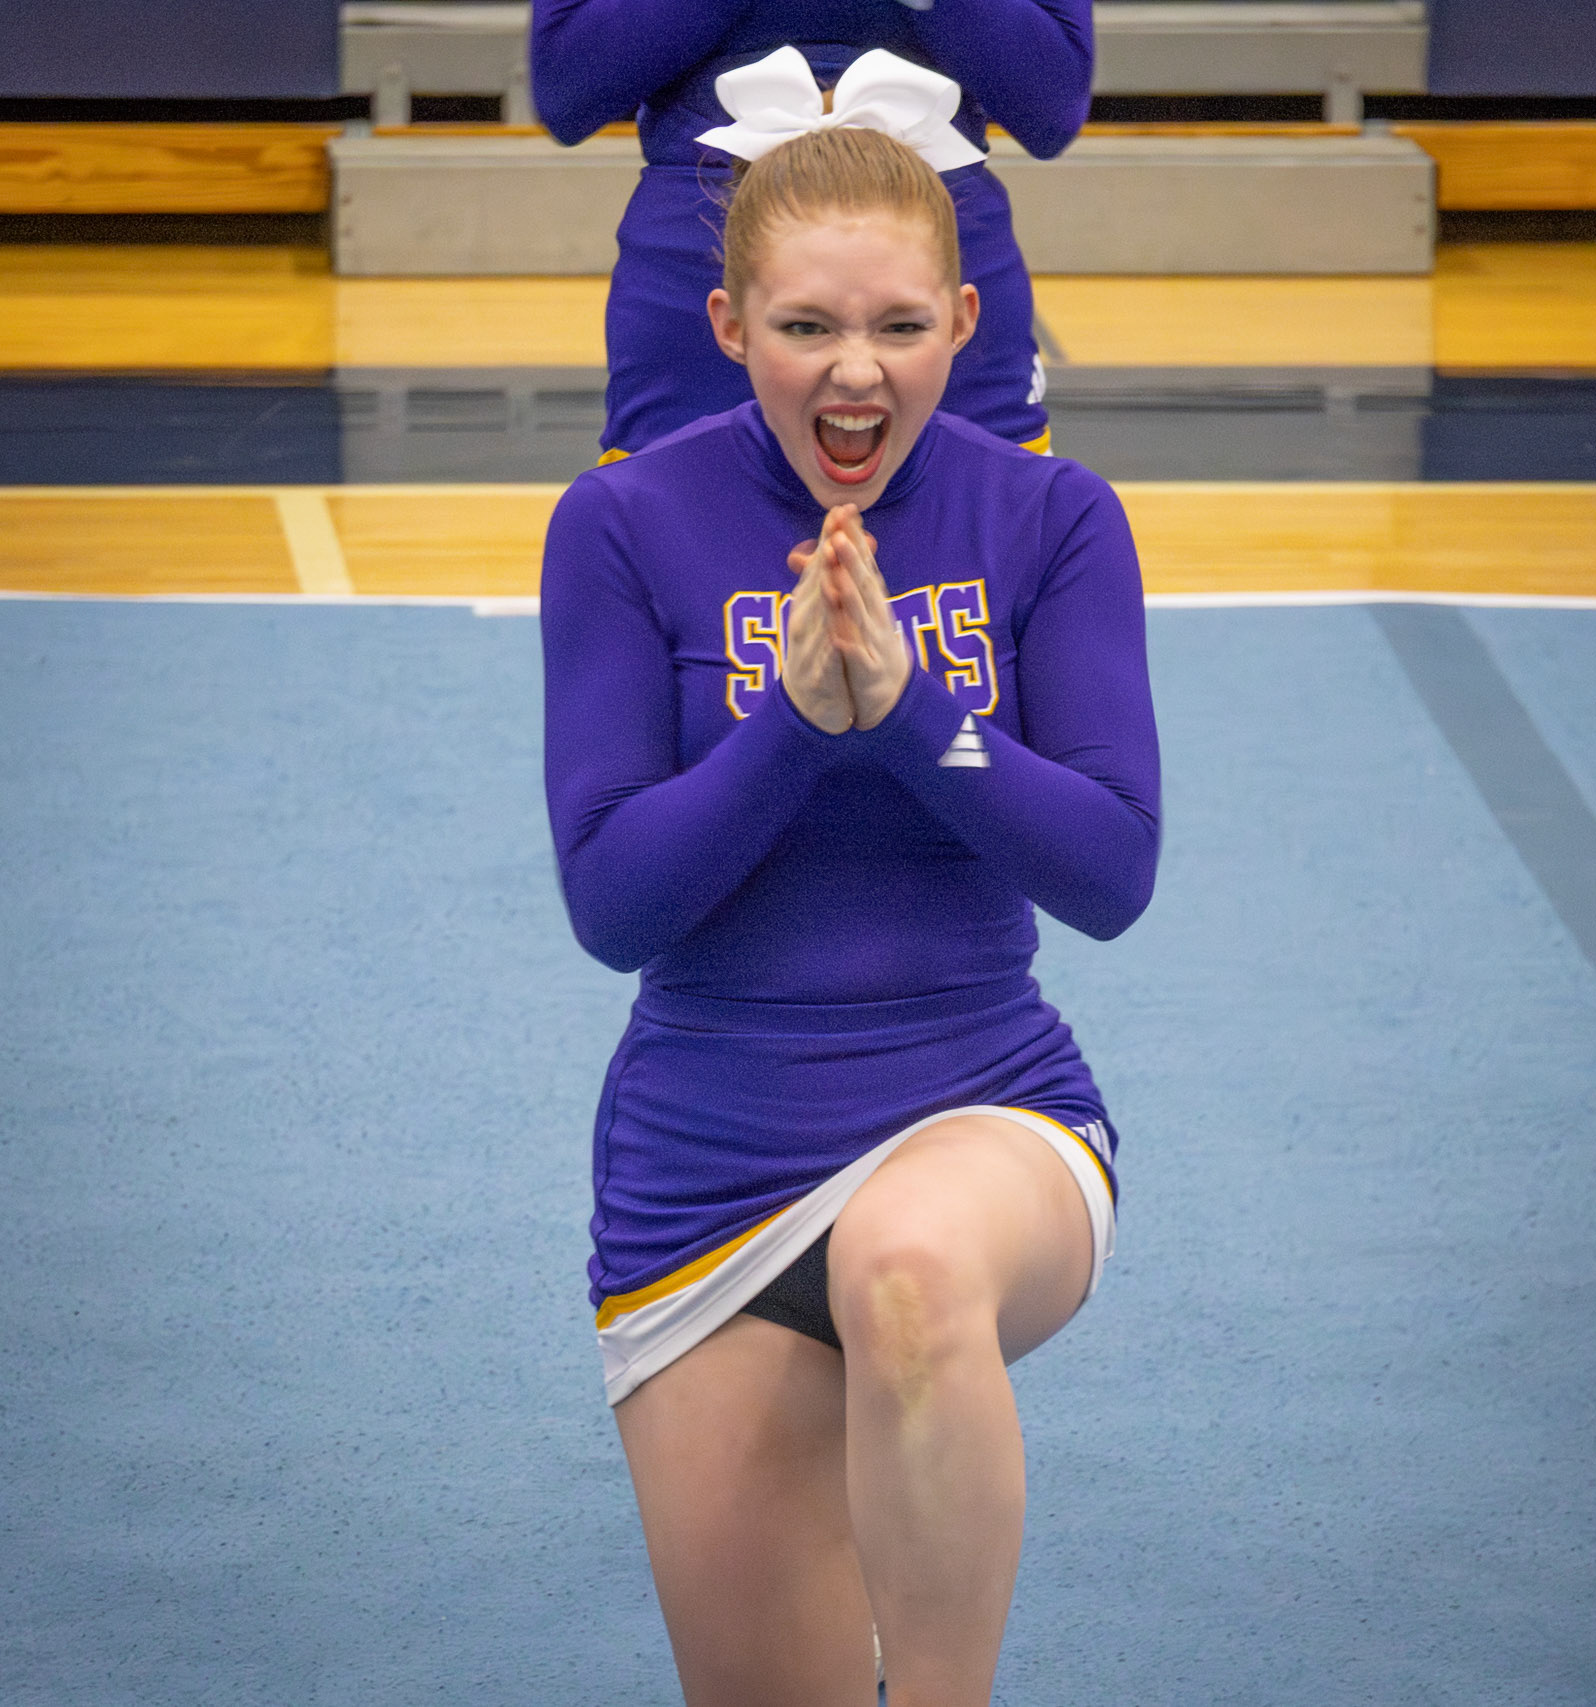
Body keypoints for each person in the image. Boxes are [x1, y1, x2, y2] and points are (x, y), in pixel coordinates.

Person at [541, 78, 1159, 1707]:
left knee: (906, 1263)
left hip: (982, 1109)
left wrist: (914, 721)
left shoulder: (1050, 519)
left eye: (898, 324)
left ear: (965, 317)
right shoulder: (621, 522)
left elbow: (1108, 870)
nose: (855, 370)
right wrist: (793, 729)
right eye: (805, 325)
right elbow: (614, 902)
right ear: (726, 319)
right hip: (706, 1179)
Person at [530, 0, 1092, 460]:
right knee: (678, 561)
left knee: (990, 556)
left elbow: (1051, 105)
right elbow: (569, 88)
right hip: (701, 258)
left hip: (934, 239)